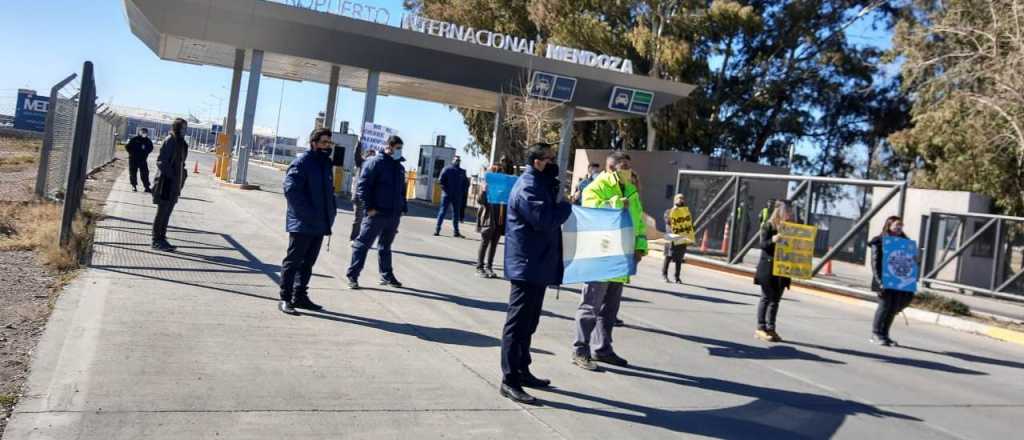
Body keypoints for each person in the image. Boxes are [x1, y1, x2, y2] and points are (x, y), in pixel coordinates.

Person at [499, 143, 572, 405]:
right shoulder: (528, 186)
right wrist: (566, 206)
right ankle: (509, 380)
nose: (554, 163)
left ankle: (522, 369)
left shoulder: (540, 184)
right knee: (517, 325)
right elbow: (545, 220)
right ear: (537, 161)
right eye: (550, 159)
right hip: (526, 265)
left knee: (529, 323)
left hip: (537, 264)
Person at [571, 151, 647, 371]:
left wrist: (640, 247)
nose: (629, 171)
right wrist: (616, 203)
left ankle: (602, 348)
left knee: (610, 308)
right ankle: (580, 349)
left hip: (622, 256)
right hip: (601, 255)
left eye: (629, 167)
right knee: (590, 305)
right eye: (624, 167)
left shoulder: (631, 189)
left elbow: (639, 222)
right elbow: (591, 213)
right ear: (611, 168)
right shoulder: (595, 187)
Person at [278, 128, 338, 315]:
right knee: (293, 261)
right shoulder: (302, 163)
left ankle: (300, 296)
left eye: (329, 143)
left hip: (320, 223)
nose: (327, 146)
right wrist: (307, 214)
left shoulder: (325, 164)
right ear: (314, 143)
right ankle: (285, 298)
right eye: (324, 142)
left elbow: (328, 192)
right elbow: (291, 191)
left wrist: (331, 212)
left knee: (308, 263)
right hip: (303, 222)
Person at [346, 135, 407, 289]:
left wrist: (402, 207)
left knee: (385, 246)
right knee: (362, 244)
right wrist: (369, 208)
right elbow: (363, 187)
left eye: (401, 148)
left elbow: (402, 190)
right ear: (389, 147)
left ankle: (387, 275)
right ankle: (353, 276)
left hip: (393, 214)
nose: (400, 151)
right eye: (398, 148)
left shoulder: (399, 167)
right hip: (376, 213)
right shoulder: (374, 163)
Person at [869, 216, 914, 346]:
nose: (899, 227)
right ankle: (876, 333)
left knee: (893, 307)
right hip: (884, 279)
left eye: (901, 225)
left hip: (899, 280)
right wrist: (879, 281)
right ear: (889, 226)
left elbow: (909, 261)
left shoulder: (905, 242)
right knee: (884, 306)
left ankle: (885, 334)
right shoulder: (879, 241)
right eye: (896, 225)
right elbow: (875, 262)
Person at [754, 201, 794, 342]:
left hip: (782, 269)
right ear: (780, 211)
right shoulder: (768, 226)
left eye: (790, 211)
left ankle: (771, 328)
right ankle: (761, 327)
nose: (790, 214)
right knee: (766, 297)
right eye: (788, 211)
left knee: (775, 300)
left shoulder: (790, 228)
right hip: (768, 267)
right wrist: (773, 240)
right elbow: (762, 244)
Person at [151, 118, 189, 252]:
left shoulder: (181, 143)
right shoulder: (170, 140)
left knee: (167, 213)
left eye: (186, 128)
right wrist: (172, 176)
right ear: (177, 128)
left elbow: (181, 163)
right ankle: (156, 240)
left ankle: (162, 238)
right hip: (166, 183)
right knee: (162, 212)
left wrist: (182, 176)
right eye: (183, 128)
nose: (185, 130)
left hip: (175, 184)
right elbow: (161, 161)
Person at [476, 165, 506, 278]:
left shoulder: (502, 187)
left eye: (501, 173)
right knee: (485, 243)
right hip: (488, 218)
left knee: (494, 244)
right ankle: (479, 267)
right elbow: (480, 201)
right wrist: (484, 191)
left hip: (499, 219)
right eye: (497, 172)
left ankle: (489, 267)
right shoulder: (486, 185)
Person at [435, 156, 469, 237]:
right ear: (452, 160)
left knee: (456, 214)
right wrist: (445, 190)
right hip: (447, 195)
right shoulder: (446, 169)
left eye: (459, 160)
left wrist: (462, 192)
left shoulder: (462, 171)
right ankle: (437, 230)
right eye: (456, 160)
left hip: (457, 195)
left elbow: (466, 183)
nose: (457, 161)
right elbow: (440, 181)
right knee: (442, 212)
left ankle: (456, 232)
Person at [350, 147, 376, 242]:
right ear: (366, 155)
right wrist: (359, 143)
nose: (372, 157)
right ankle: (354, 238)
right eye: (370, 154)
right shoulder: (362, 163)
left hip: (369, 197)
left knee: (368, 220)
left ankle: (362, 238)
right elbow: (356, 155)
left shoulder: (375, 167)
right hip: (359, 196)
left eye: (374, 155)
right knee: (359, 218)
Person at [662, 193, 689, 284]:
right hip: (671, 236)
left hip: (681, 237)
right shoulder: (668, 211)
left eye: (682, 198)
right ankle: (664, 275)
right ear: (675, 200)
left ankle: (677, 277)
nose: (681, 200)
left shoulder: (685, 213)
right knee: (668, 257)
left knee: (679, 258)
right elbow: (668, 221)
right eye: (679, 198)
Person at [126, 128, 154, 192]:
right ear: (140, 132)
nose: (144, 134)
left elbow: (151, 148)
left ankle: (147, 187)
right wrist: (132, 153)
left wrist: (146, 152)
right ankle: (134, 186)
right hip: (133, 159)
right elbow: (127, 147)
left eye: (145, 132)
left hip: (142, 159)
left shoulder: (148, 141)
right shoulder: (134, 139)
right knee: (133, 173)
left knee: (145, 173)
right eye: (143, 132)